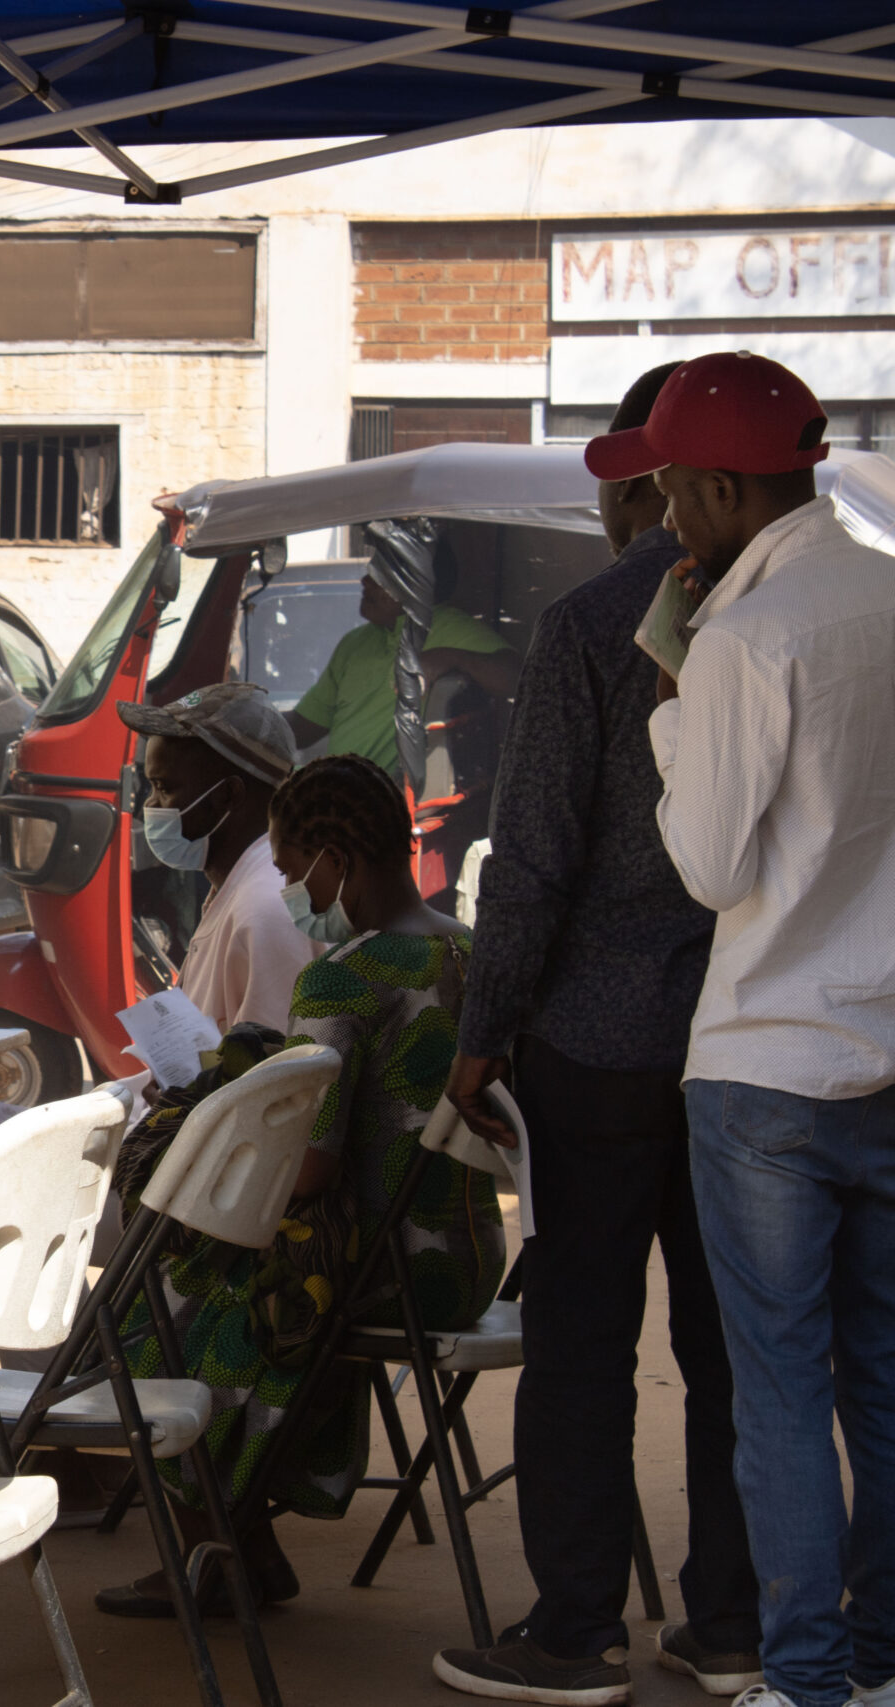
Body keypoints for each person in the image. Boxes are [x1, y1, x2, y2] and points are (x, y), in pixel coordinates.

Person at [431, 363, 760, 1705]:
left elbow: (532, 862)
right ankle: (731, 1619)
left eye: (630, 487)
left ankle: (573, 1627)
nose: (626, 512)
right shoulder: (807, 613)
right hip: (749, 1043)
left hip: (601, 1042)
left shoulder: (592, 623)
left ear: (659, 486)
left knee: (580, 1336)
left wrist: (483, 1027)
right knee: (738, 1345)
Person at [606, 352, 895, 1707]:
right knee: (886, 1377)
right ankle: (887, 1658)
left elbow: (711, 867)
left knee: (777, 1383)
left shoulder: (738, 639)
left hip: (766, 1065)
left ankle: (808, 1677)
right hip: (889, 1048)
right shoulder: (891, 593)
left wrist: (674, 721)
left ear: (723, 485)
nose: (666, 517)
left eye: (671, 487)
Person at [94, 755, 505, 1620]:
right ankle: (244, 1538)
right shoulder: (470, 952)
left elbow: (311, 1169)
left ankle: (216, 1541)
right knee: (234, 1277)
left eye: (289, 871)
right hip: (468, 1257)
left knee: (156, 1299)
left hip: (381, 1267)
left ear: (332, 859)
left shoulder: (344, 976)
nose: (289, 891)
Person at [120, 682, 322, 1033]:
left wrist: (184, 1088)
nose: (149, 806)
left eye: (164, 788)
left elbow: (275, 1076)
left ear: (228, 795)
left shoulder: (265, 909)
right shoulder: (240, 886)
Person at [287, 563, 515, 779]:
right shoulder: (355, 643)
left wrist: (454, 657)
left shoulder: (449, 627)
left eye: (379, 575)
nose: (365, 580)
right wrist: (257, 722)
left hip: (388, 805)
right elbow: (304, 728)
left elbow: (516, 677)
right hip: (339, 795)